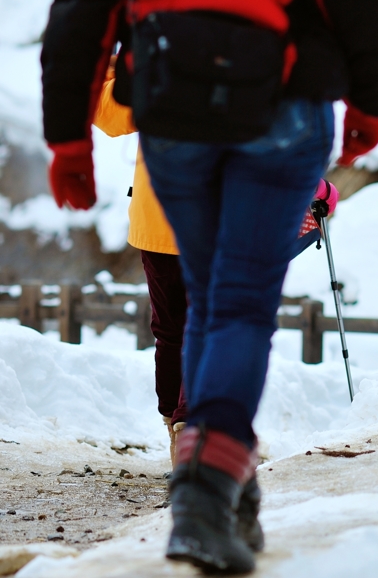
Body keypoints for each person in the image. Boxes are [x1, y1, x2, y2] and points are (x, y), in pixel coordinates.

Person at [41, 0, 378, 572]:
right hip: (285, 92)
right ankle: (207, 494)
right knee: (236, 301)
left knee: (213, 297)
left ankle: (227, 479)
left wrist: (68, 137)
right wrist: (368, 97)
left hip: (173, 97)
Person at [92, 68, 338, 466]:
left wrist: (113, 64)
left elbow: (107, 112)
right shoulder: (247, 51)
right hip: (221, 221)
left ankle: (178, 433)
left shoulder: (157, 52)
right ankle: (193, 434)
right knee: (207, 325)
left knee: (171, 332)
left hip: (157, 218)